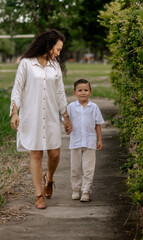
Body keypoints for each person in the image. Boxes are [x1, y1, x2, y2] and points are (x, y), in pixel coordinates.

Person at [10, 29, 72, 209]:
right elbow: (18, 89)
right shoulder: (26, 64)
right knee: (36, 153)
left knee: (55, 153)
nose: (58, 53)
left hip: (51, 116)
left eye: (60, 50)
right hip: (32, 116)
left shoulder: (55, 67)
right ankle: (38, 195)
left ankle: (49, 178)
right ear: (49, 44)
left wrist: (65, 117)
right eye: (57, 49)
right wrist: (15, 112)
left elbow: (60, 93)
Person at [67, 79, 104, 202]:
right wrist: (66, 126)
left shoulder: (94, 107)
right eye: (80, 90)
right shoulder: (71, 107)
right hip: (75, 142)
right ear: (74, 92)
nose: (83, 93)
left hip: (90, 142)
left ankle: (86, 191)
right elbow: (65, 120)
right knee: (75, 169)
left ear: (90, 92)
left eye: (86, 90)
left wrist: (100, 140)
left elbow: (98, 124)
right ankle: (76, 189)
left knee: (88, 169)